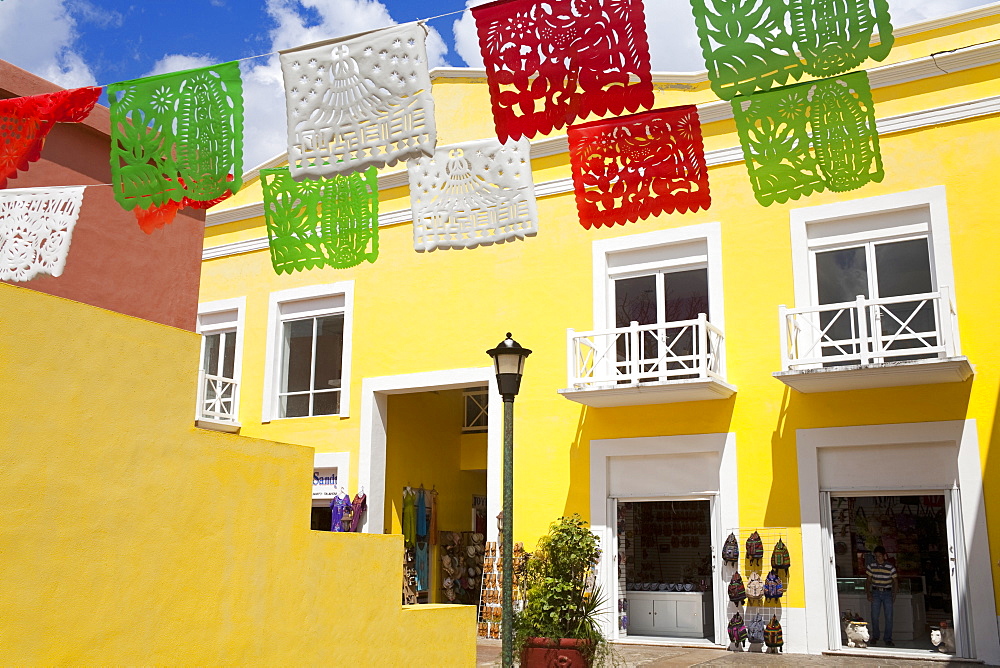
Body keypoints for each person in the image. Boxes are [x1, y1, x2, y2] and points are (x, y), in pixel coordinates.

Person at [866, 546, 898, 647]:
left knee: (889, 616)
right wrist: (868, 593)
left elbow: (895, 581)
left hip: (887, 592)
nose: (878, 558)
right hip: (876, 592)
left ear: (884, 556)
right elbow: (868, 580)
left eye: (879, 556)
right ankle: (875, 636)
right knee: (874, 616)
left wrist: (894, 594)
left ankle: (888, 638)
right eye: (876, 556)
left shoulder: (890, 567)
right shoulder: (872, 566)